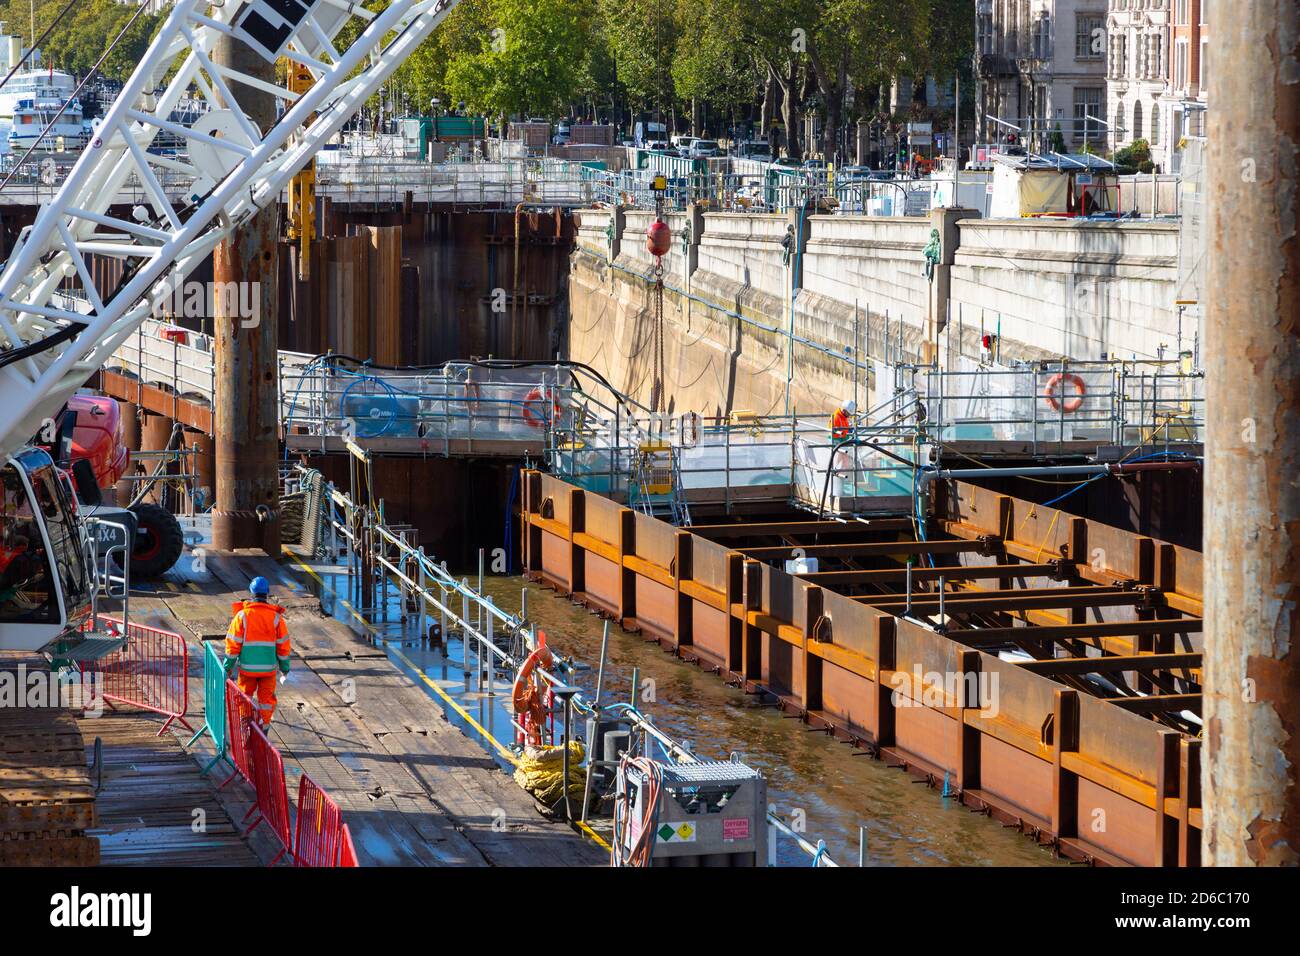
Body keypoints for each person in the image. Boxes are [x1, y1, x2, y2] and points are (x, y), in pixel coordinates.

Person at [225, 576, 291, 729]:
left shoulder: (242, 616)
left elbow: (232, 646)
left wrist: (227, 667)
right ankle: (263, 733)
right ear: (267, 593)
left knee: (244, 698)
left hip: (247, 670)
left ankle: (245, 728)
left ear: (251, 592)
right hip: (268, 671)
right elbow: (283, 647)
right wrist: (285, 668)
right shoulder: (276, 618)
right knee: (266, 703)